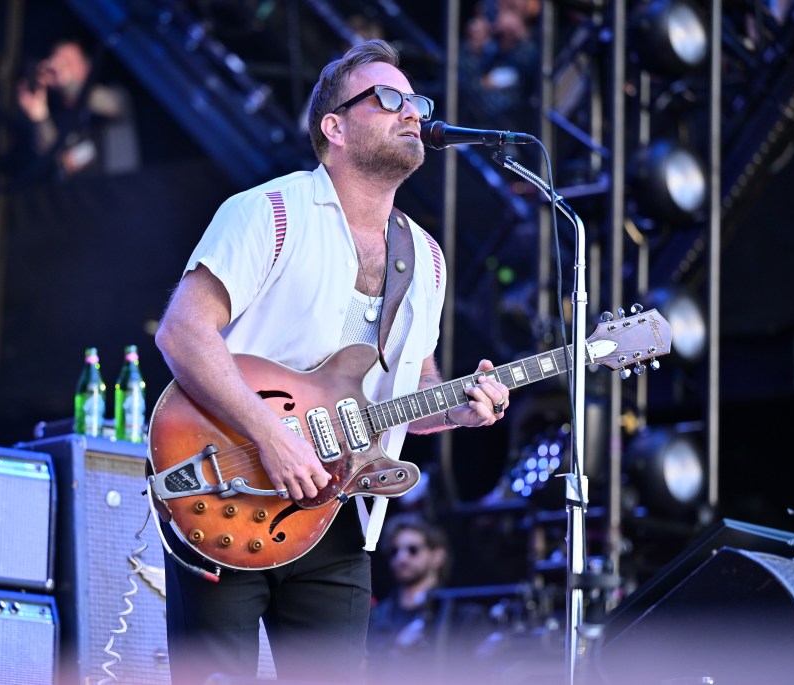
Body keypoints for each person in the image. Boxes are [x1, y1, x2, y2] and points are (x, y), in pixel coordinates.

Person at [153, 38, 512, 685]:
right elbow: (182, 333)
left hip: (340, 520)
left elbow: (414, 385)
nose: (413, 113)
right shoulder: (269, 212)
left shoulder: (424, 258)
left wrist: (456, 406)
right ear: (334, 125)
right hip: (229, 491)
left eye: (418, 101)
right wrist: (271, 437)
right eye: (389, 98)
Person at [366, 514, 492, 685]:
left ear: (437, 556)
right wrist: (396, 650)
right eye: (395, 551)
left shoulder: (464, 617)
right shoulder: (376, 616)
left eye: (413, 550)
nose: (401, 558)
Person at [15, 39, 140, 179]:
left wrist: (64, 80)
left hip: (120, 194)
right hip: (80, 197)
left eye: (68, 63)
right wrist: (39, 116)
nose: (60, 69)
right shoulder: (62, 119)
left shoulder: (116, 97)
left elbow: (101, 100)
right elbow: (52, 159)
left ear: (87, 68)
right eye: (57, 62)